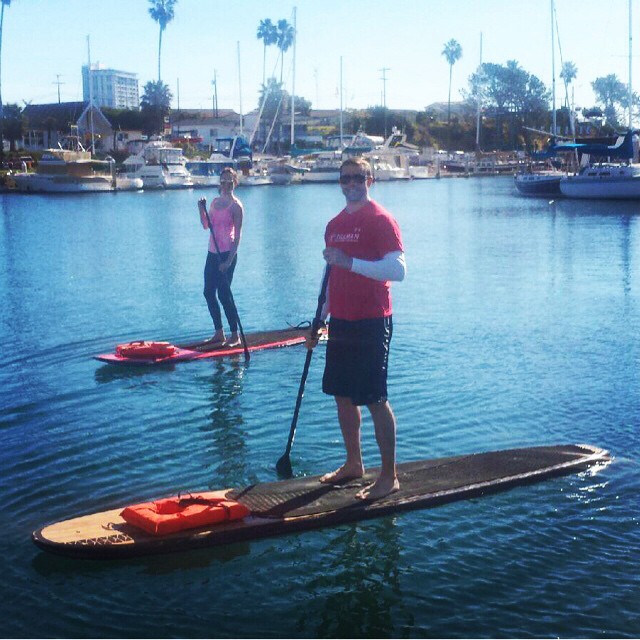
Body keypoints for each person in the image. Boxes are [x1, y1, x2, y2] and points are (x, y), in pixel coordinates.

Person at [308, 157, 406, 500]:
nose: (350, 183)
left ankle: (389, 477)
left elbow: (398, 269)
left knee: (375, 398)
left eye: (357, 177)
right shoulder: (334, 224)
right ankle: (354, 464)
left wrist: (351, 262)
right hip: (341, 321)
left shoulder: (380, 220)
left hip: (372, 319)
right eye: (344, 178)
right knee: (342, 395)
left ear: (370, 180)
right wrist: (320, 318)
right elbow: (331, 273)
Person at [198, 167, 244, 347]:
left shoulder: (236, 206)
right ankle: (219, 333)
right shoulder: (215, 202)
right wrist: (201, 209)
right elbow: (206, 225)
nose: (226, 184)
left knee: (224, 294)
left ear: (235, 183)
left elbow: (238, 236)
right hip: (212, 253)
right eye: (223, 181)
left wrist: (229, 261)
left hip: (227, 254)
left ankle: (235, 335)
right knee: (208, 292)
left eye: (229, 181)